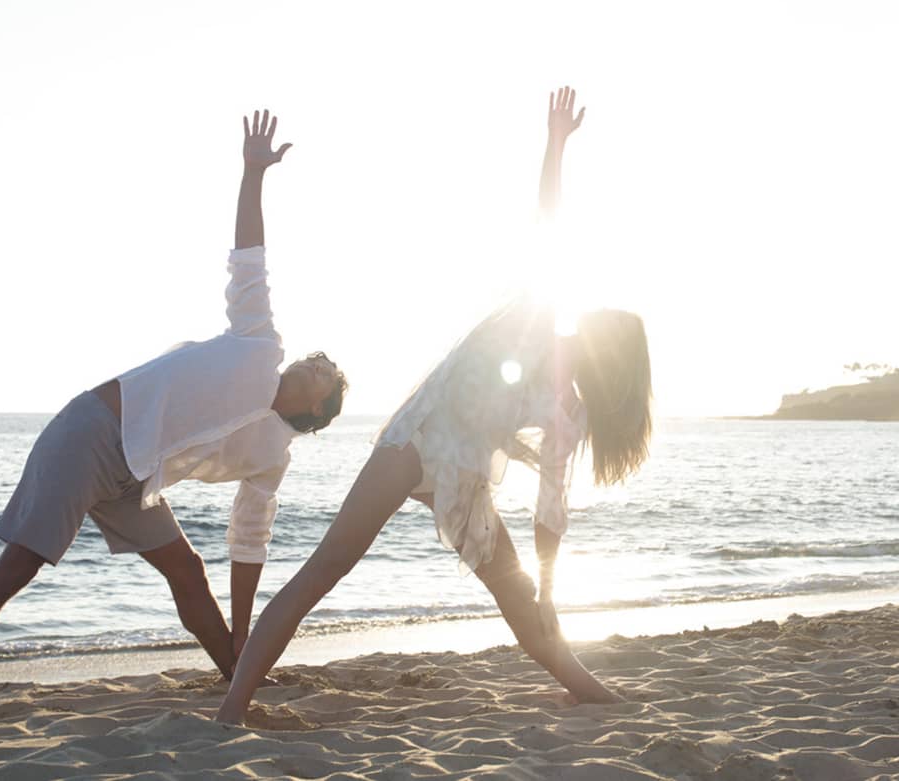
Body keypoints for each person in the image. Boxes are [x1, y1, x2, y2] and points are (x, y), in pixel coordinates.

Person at [214, 87, 652, 725]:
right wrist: (555, 147)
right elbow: (546, 225)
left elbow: (550, 510)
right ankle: (232, 710)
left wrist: (553, 591)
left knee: (522, 600)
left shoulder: (572, 414)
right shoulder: (535, 313)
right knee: (324, 569)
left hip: (465, 479)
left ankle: (592, 693)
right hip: (413, 446)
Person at [0, 110, 347, 713]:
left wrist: (247, 637)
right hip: (92, 434)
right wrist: (254, 176)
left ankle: (236, 671)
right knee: (18, 568)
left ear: (318, 408)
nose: (311, 365)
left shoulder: (273, 456)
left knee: (188, 571)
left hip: (133, 475)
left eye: (323, 374)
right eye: (316, 362)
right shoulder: (259, 343)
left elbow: (249, 542)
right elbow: (249, 258)